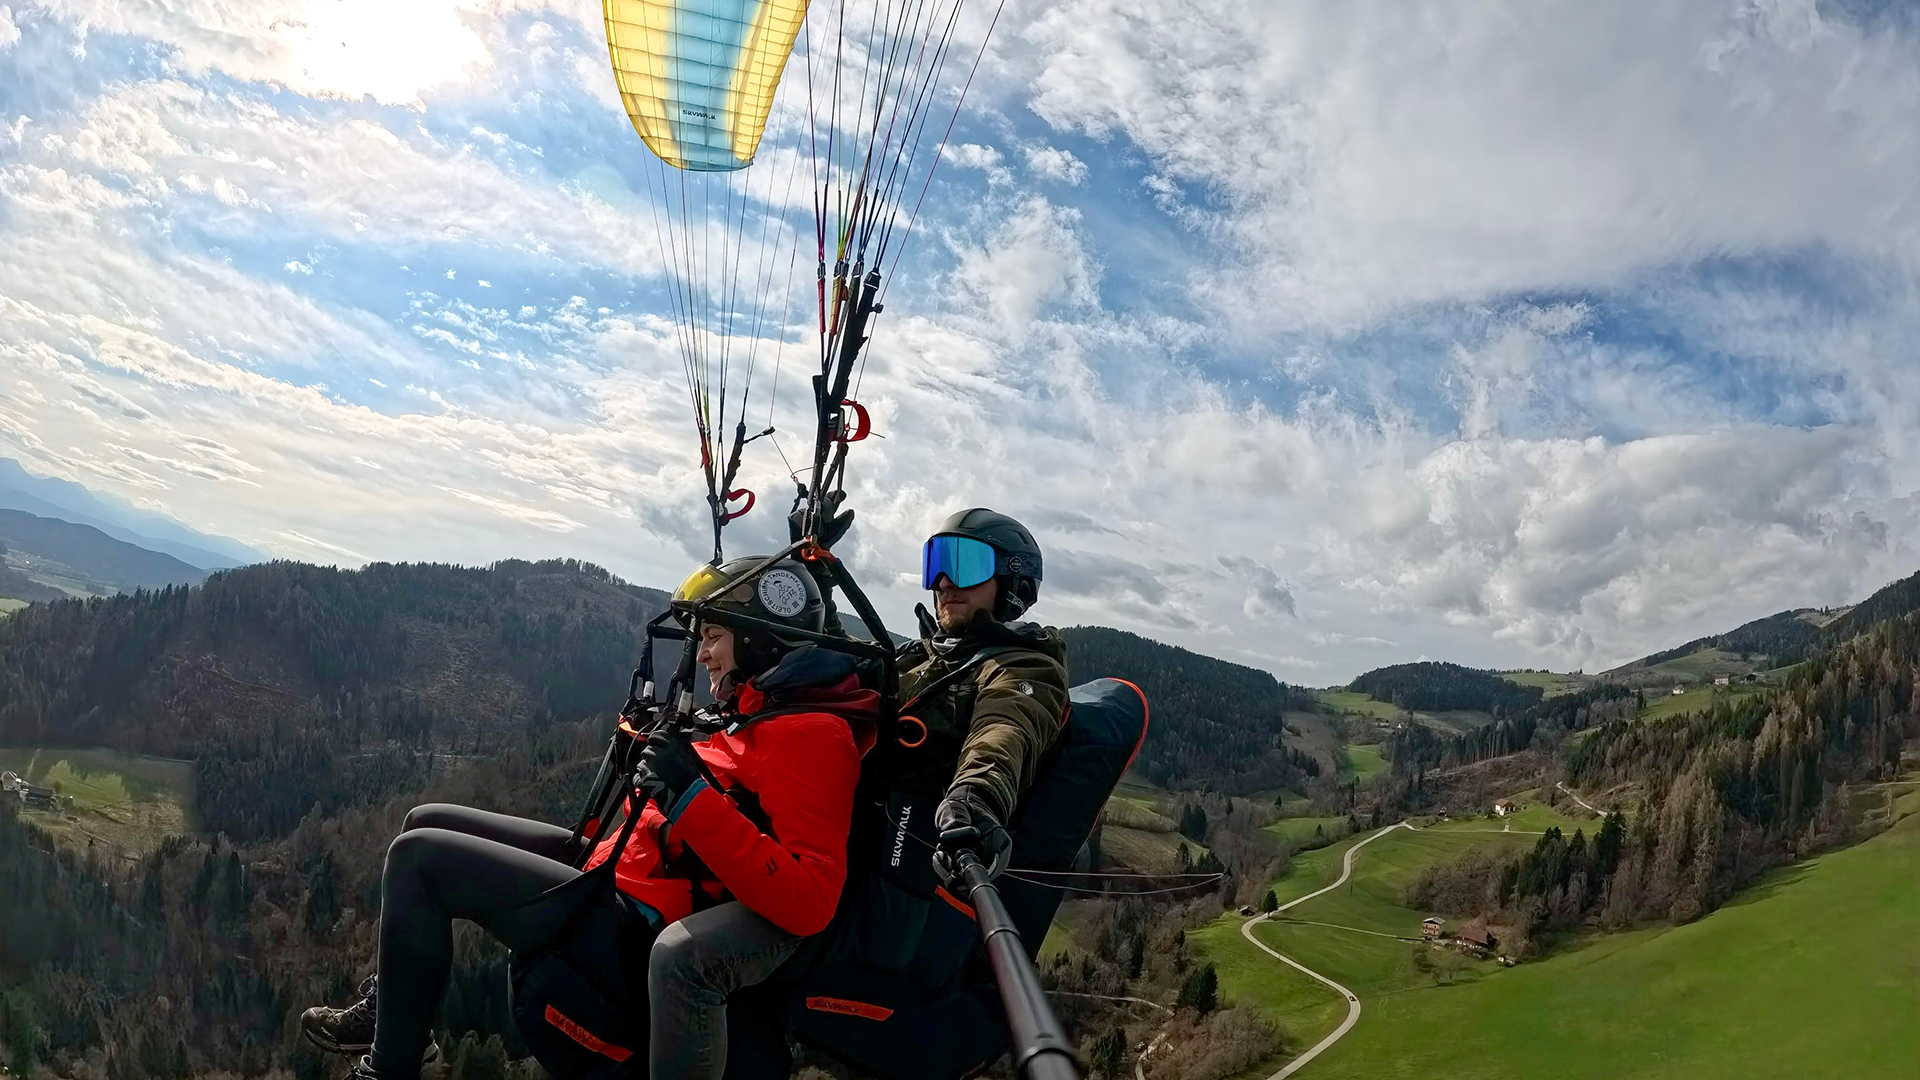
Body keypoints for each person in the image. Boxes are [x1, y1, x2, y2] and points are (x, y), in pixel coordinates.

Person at [299, 556, 880, 1080]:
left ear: (760, 641)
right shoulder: (757, 712)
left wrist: (686, 794)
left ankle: (391, 1066)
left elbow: (810, 898)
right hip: (620, 866)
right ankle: (393, 1010)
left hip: (633, 916)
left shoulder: (813, 736)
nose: (702, 654)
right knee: (421, 818)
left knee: (419, 861)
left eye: (715, 636)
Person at [898, 509, 1070, 883]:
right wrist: (812, 578)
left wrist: (975, 796)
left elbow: (1005, 725)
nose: (944, 582)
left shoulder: (1022, 666)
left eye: (965, 565)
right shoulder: (918, 654)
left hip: (904, 861)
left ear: (1013, 582)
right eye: (937, 564)